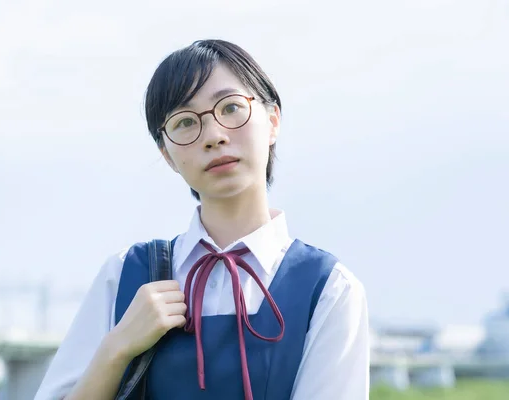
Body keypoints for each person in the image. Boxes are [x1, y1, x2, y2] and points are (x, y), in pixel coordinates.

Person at [34, 39, 370, 400]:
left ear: (272, 122)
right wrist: (116, 348)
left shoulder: (330, 289)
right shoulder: (123, 276)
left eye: (230, 108)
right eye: (184, 123)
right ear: (167, 155)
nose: (214, 136)